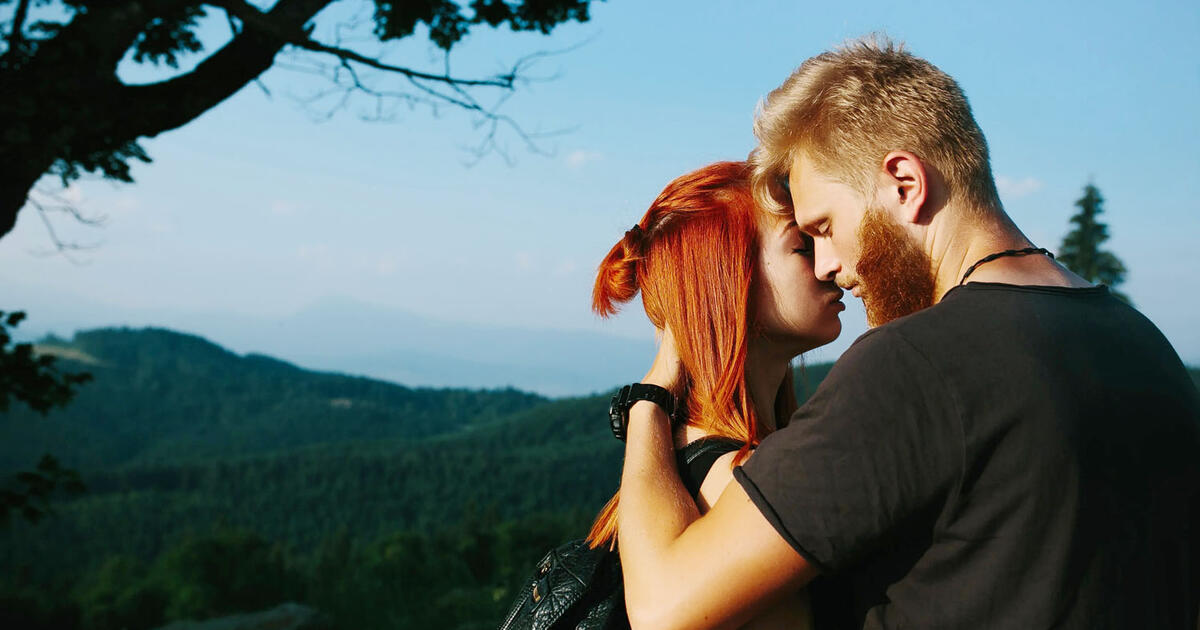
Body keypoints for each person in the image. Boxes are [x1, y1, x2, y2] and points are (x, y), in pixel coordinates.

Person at [614, 37, 1200, 629]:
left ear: (904, 183)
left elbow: (665, 609)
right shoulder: (1142, 343)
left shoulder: (917, 364)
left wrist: (647, 401)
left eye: (825, 225)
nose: (826, 265)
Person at [587, 160, 846, 628]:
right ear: (730, 279)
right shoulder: (743, 480)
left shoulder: (675, 463)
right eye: (802, 245)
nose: (832, 261)